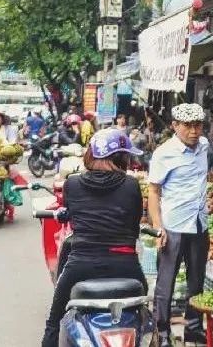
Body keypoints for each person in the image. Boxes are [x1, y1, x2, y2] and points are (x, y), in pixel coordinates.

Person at [40, 128, 146, 347]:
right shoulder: (131, 185)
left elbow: (71, 213)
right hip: (126, 266)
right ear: (121, 158)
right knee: (145, 314)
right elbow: (134, 225)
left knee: (54, 320)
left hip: (81, 265)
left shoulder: (72, 184)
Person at [147, 103, 211, 346]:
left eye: (198, 125)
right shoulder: (164, 153)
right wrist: (158, 227)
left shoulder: (204, 146)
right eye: (188, 126)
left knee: (197, 281)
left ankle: (193, 328)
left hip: (199, 225)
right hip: (173, 226)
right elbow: (154, 192)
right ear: (175, 126)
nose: (194, 131)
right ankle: (162, 332)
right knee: (166, 283)